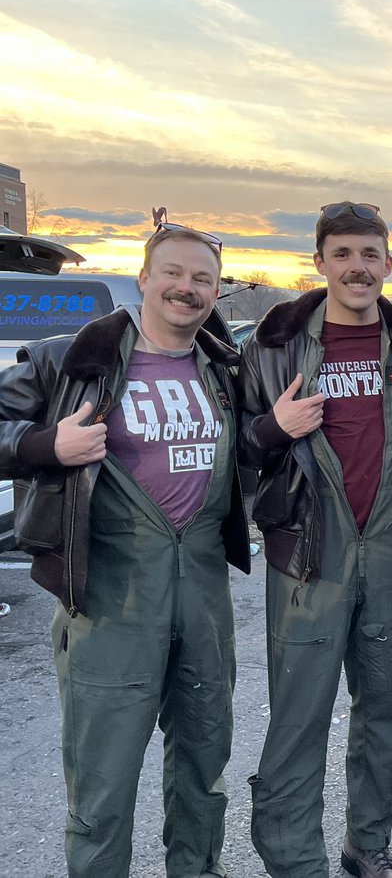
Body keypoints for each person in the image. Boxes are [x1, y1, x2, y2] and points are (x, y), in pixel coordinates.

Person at [0, 219, 250, 877]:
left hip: (203, 593)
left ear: (216, 291)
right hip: (108, 595)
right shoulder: (70, 360)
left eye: (203, 278)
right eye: (173, 272)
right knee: (102, 786)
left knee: (204, 770)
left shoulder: (227, 371)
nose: (186, 288)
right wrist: (44, 446)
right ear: (143, 277)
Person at [238, 202, 392, 878]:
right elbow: (230, 452)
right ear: (319, 262)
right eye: (343, 254)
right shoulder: (269, 346)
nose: (357, 267)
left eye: (370, 254)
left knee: (385, 710)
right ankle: (294, 860)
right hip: (306, 557)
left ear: (388, 263)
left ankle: (367, 845)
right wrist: (273, 427)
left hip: (388, 551)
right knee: (299, 714)